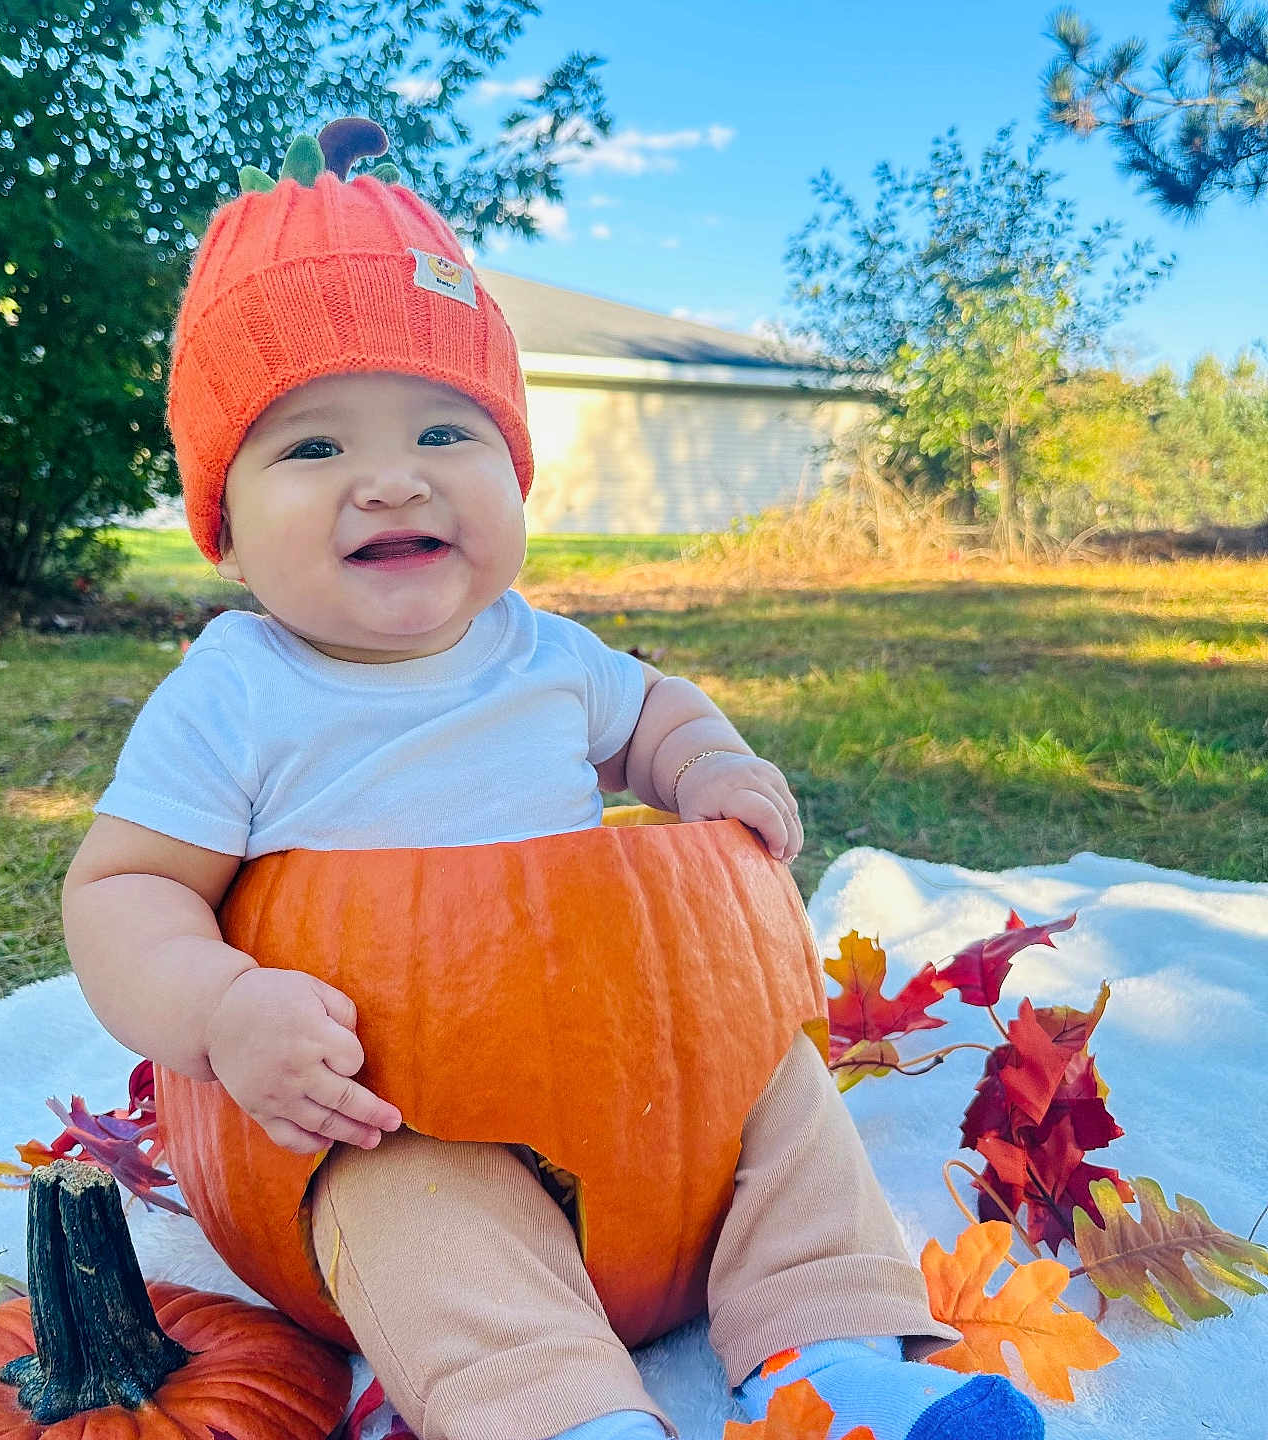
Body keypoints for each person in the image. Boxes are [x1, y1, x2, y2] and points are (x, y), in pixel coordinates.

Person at [61, 118, 1043, 1440]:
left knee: (787, 1096)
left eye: (444, 431)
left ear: (514, 469)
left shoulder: (547, 652)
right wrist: (222, 1005)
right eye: (312, 449)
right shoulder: (238, 694)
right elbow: (123, 888)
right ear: (224, 527)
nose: (390, 476)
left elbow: (658, 716)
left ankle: (827, 1358)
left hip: (647, 1074)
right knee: (399, 1211)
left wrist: (705, 762)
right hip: (397, 1112)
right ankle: (562, 1414)